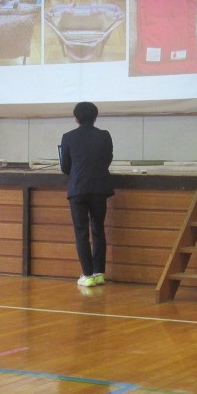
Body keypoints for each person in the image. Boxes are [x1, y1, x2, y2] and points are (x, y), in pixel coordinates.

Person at [60, 102, 114, 287]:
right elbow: (107, 159)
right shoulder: (104, 135)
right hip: (99, 188)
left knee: (81, 232)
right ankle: (99, 273)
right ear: (95, 117)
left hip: (78, 188)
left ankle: (87, 275)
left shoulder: (68, 137)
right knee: (98, 229)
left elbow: (65, 167)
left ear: (76, 118)